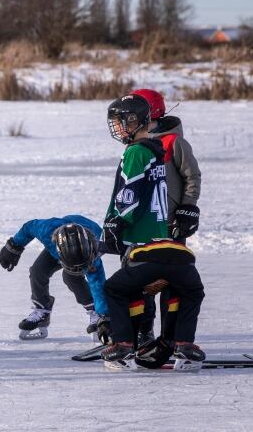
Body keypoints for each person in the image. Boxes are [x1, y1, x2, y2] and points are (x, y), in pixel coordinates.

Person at [103, 93, 169, 344]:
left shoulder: (135, 153)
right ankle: (144, 332)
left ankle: (131, 338)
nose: (117, 128)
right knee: (144, 288)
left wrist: (116, 223)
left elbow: (128, 196)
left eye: (121, 122)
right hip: (156, 233)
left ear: (135, 121)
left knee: (129, 290)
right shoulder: (154, 149)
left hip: (139, 235)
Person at [101, 240, 205, 371]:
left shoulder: (134, 255)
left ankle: (124, 346)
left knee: (114, 289)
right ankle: (184, 345)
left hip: (150, 264)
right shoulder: (156, 246)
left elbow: (134, 285)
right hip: (185, 262)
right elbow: (168, 269)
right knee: (191, 295)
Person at [0, 216, 108, 340]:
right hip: (60, 242)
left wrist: (103, 316)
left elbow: (98, 286)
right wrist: (14, 246)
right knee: (37, 271)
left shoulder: (96, 251)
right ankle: (42, 309)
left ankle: (94, 311)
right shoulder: (47, 231)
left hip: (90, 243)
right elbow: (29, 227)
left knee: (71, 277)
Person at [130, 89, 201, 241]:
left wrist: (187, 207)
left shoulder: (173, 142)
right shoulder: (135, 145)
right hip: (142, 223)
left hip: (168, 224)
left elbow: (192, 176)